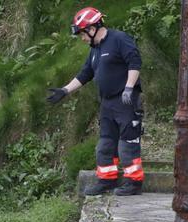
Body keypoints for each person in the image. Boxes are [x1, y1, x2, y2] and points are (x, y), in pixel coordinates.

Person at [47, 7, 144, 196]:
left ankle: (134, 183)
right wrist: (64, 91)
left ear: (92, 29)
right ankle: (107, 180)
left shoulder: (119, 39)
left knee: (127, 143)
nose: (82, 39)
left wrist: (129, 88)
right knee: (105, 144)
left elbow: (135, 62)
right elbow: (85, 74)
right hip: (107, 103)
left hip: (124, 100)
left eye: (82, 34)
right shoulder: (95, 50)